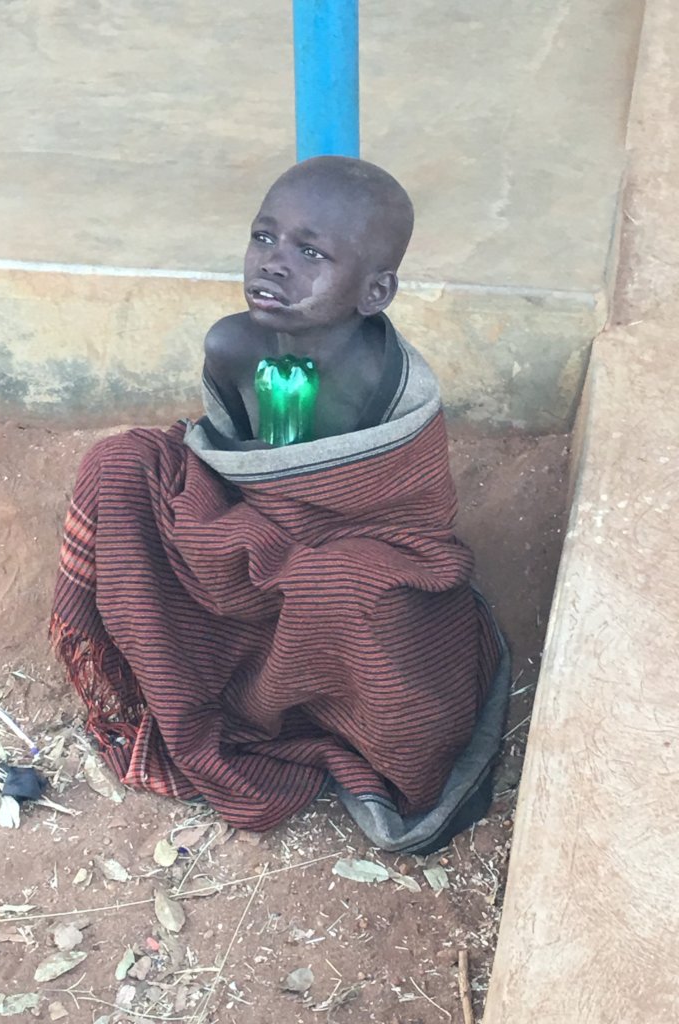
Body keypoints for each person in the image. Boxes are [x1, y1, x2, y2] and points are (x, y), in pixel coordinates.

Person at [51, 157, 509, 853]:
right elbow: (230, 465)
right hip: (244, 552)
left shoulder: (388, 387)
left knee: (348, 587)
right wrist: (245, 536)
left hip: (343, 567)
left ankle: (303, 714)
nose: (274, 264)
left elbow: (411, 529)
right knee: (121, 464)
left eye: (310, 252)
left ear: (375, 290)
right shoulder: (232, 346)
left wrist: (292, 542)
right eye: (264, 238)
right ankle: (185, 693)